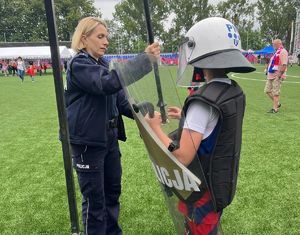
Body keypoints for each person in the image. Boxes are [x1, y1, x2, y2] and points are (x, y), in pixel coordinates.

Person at [145, 17, 255, 235]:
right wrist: (187, 116)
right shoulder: (232, 90)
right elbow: (216, 127)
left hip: (202, 189)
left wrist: (154, 128)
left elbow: (182, 157)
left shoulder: (202, 104)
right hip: (221, 182)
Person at [64, 16, 160, 235]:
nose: (106, 41)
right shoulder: (79, 64)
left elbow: (120, 100)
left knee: (112, 193)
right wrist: (145, 59)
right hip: (88, 144)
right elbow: (106, 84)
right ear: (84, 39)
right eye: (100, 36)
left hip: (108, 139)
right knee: (95, 200)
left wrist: (140, 110)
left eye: (106, 36)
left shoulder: (103, 64)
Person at [264, 39, 288, 113]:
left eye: (274, 44)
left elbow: (284, 64)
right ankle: (277, 103)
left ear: (279, 44)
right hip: (271, 75)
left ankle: (275, 109)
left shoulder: (283, 52)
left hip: (277, 75)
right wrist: (267, 68)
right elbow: (272, 62)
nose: (273, 46)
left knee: (275, 93)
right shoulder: (277, 52)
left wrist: (280, 75)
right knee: (267, 91)